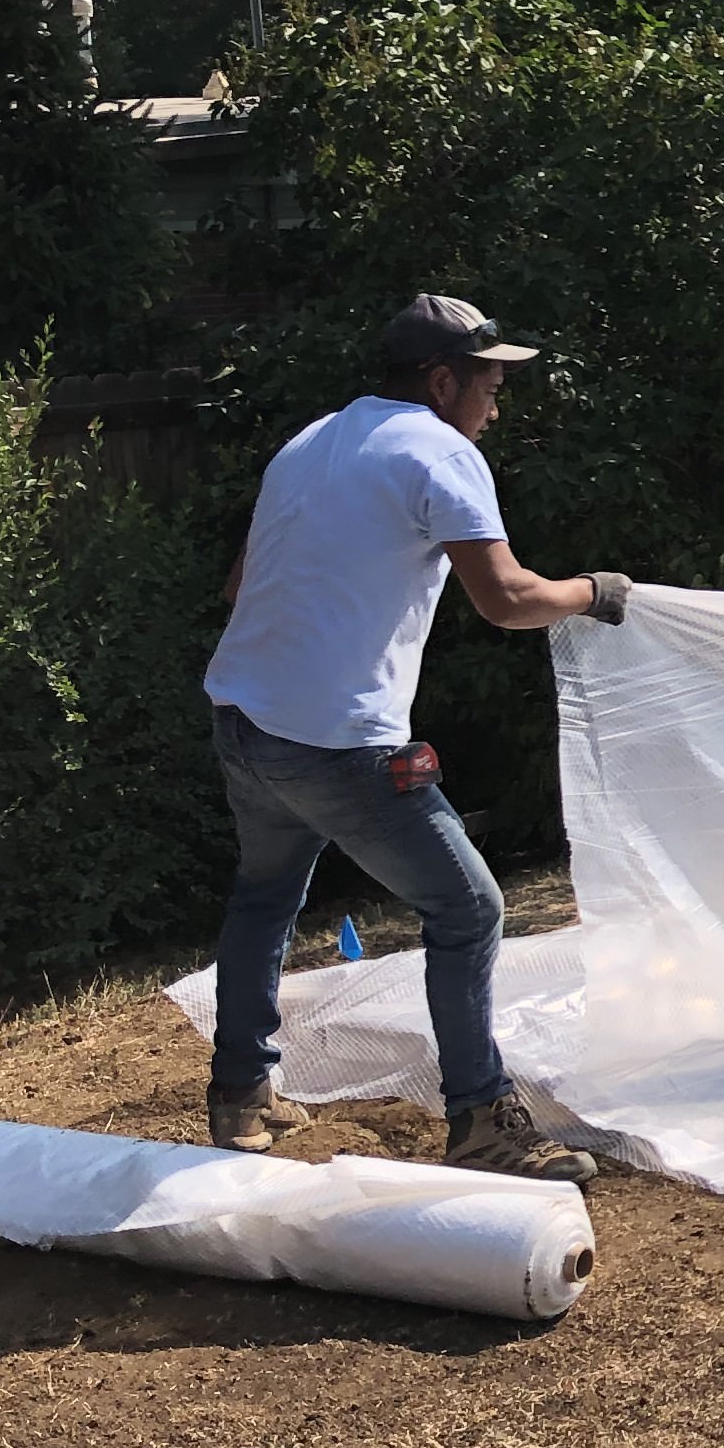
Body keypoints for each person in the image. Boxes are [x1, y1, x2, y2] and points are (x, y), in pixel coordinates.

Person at [200, 295, 631, 1177]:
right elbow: (507, 601)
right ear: (442, 381)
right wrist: (594, 591)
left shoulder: (311, 442)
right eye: (489, 385)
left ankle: (243, 1094)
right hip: (336, 743)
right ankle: (482, 1121)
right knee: (468, 908)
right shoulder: (440, 450)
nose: (495, 407)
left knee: (264, 898)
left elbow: (242, 584)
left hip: (243, 718)